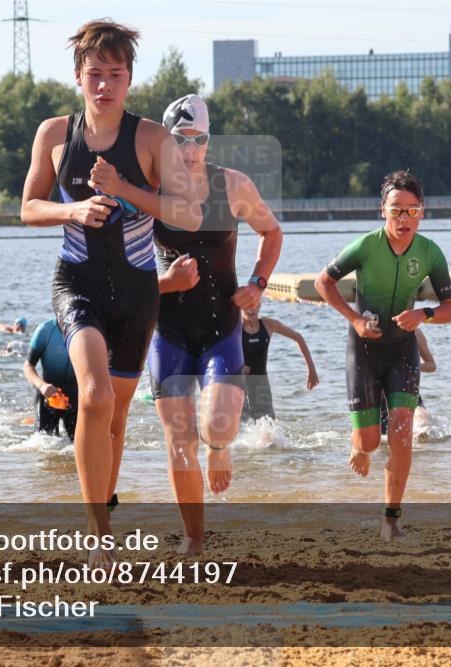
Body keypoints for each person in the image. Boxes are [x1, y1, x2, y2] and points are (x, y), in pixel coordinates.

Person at [19, 20, 202, 565]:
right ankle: (97, 535)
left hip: (138, 293)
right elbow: (28, 208)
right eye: (94, 74)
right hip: (77, 282)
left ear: (128, 80)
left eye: (114, 75)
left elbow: (188, 212)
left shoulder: (151, 139)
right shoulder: (55, 135)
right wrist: (73, 208)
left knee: (116, 420)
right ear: (78, 77)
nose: (104, 85)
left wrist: (124, 190)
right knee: (94, 397)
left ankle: (104, 511)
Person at [148, 93, 283, 555]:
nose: (189, 150)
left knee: (219, 427)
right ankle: (194, 538)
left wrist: (258, 283)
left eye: (198, 140)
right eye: (180, 140)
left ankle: (220, 449)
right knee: (179, 438)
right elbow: (121, 263)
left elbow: (272, 232)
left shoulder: (233, 185)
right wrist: (165, 282)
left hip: (220, 325)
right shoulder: (149, 190)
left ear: (209, 141)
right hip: (168, 330)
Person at [314, 170, 451, 541]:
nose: (404, 218)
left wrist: (423, 314)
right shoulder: (365, 246)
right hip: (362, 348)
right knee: (368, 441)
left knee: (401, 432)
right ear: (383, 210)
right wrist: (354, 320)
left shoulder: (430, 253)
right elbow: (323, 282)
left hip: (402, 351)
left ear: (422, 212)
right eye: (397, 210)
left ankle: (391, 519)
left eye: (412, 211)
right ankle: (359, 446)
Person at [239, 301, 318, 422]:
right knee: (241, 427)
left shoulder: (268, 324)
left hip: (261, 384)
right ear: (240, 307)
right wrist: (238, 366)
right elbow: (220, 351)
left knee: (268, 427)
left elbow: (298, 338)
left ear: (259, 305)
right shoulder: (235, 329)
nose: (250, 310)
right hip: (240, 385)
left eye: (253, 305)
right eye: (246, 306)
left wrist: (311, 369)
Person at [23, 319, 79, 441]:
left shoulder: (87, 330)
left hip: (77, 399)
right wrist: (42, 385)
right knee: (45, 446)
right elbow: (28, 366)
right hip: (48, 396)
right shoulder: (45, 330)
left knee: (78, 447)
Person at [380, 328, 435, 436]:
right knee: (380, 441)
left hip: (407, 389)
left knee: (422, 417)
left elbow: (431, 365)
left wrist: (411, 365)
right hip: (379, 397)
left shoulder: (416, 333)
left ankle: (422, 434)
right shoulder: (373, 331)